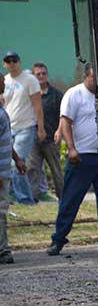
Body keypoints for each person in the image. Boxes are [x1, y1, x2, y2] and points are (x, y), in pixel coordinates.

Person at [47, 63, 98, 256]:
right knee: (71, 200)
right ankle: (58, 240)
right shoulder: (74, 94)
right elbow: (65, 121)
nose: (97, 82)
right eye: (94, 78)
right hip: (81, 155)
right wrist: (71, 148)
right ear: (86, 77)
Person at [2, 51, 45, 205]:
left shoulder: (29, 80)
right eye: (8, 61)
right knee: (7, 164)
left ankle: (26, 199)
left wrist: (40, 128)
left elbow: (37, 105)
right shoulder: (4, 81)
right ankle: (13, 195)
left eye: (14, 60)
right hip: (8, 128)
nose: (11, 63)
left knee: (17, 163)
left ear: (19, 62)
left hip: (26, 127)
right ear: (4, 64)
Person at [0, 73, 28, 265]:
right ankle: (3, 250)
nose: (4, 83)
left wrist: (17, 159)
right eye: (1, 81)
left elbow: (6, 140)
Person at [26, 62, 64, 202]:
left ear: (46, 74)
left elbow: (63, 116)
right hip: (33, 139)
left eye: (43, 73)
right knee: (32, 168)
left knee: (56, 171)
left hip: (51, 139)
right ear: (33, 76)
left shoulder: (56, 95)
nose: (41, 76)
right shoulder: (29, 95)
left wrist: (60, 133)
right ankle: (33, 197)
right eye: (38, 74)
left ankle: (63, 197)